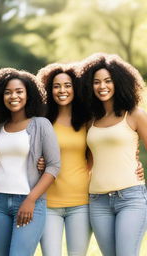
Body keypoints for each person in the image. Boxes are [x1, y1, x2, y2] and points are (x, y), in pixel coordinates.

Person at [0, 68, 60, 256]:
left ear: (29, 95)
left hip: (28, 201)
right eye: (8, 92)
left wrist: (30, 200)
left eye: (19, 91)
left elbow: (53, 165)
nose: (13, 96)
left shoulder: (41, 124)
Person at [81, 53, 147, 256]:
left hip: (130, 198)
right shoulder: (90, 120)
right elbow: (88, 162)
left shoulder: (134, 114)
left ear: (119, 82)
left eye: (108, 81)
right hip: (98, 201)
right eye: (97, 82)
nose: (102, 86)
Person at [37, 63, 92, 256]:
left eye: (67, 85)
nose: (62, 90)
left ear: (75, 88)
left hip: (81, 203)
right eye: (56, 86)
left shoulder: (87, 119)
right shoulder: (42, 120)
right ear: (49, 90)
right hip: (48, 203)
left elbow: (96, 156)